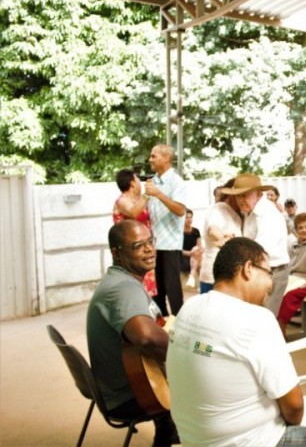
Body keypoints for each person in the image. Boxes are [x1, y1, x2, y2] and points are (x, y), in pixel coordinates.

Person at [166, 237, 306, 447]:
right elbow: (294, 409)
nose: (271, 284)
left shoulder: (189, 307)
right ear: (248, 269)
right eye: (269, 273)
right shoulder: (256, 318)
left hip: (195, 440)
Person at [87, 220, 179, 447]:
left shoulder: (123, 280)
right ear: (117, 254)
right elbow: (146, 337)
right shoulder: (123, 288)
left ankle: (167, 434)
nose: (149, 249)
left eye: (150, 241)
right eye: (139, 245)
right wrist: (187, 351)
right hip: (128, 395)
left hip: (127, 384)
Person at [222, 174, 291, 316]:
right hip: (262, 271)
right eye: (238, 196)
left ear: (258, 194)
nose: (240, 200)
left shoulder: (268, 214)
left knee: (265, 318)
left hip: (273, 272)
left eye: (244, 195)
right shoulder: (251, 212)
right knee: (255, 317)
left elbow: (259, 251)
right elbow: (251, 243)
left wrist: (234, 246)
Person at [145, 144, 187, 316]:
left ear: (166, 159)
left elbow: (180, 210)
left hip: (170, 246)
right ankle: (162, 328)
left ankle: (181, 326)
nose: (150, 159)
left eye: (154, 156)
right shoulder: (152, 182)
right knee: (156, 292)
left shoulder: (176, 182)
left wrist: (159, 194)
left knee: (173, 291)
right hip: (154, 246)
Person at [112, 168, 157, 296]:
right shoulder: (122, 200)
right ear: (132, 182)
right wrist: (147, 194)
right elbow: (133, 212)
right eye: (137, 180)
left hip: (143, 249)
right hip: (130, 250)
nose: (139, 183)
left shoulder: (139, 200)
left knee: (147, 290)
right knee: (133, 287)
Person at [199, 178, 243, 294]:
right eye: (240, 195)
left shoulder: (237, 214)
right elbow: (213, 230)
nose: (242, 199)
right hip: (213, 277)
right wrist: (224, 240)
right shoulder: (218, 208)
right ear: (232, 195)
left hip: (229, 276)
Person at [181, 209, 202, 288]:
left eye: (191, 217)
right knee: (196, 255)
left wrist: (197, 252)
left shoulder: (196, 231)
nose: (189, 219)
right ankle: (193, 277)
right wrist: (190, 253)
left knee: (196, 250)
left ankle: (192, 277)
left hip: (195, 254)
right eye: (187, 218)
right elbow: (179, 250)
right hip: (185, 255)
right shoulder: (180, 232)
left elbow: (200, 246)